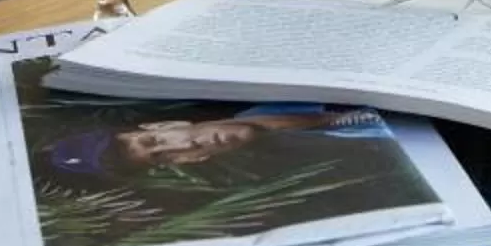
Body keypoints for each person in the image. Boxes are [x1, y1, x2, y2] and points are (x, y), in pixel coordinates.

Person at [42, 103, 388, 179]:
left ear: (166, 120)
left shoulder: (274, 85)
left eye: (153, 141)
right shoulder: (324, 168)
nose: (182, 148)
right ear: (192, 163)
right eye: (162, 159)